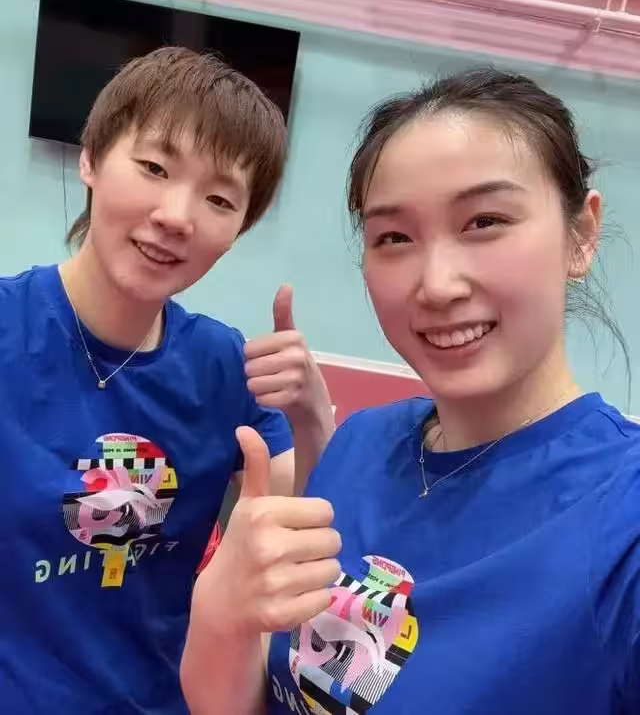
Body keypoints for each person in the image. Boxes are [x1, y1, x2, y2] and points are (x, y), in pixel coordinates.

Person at [181, 68, 640, 715]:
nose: (438, 284)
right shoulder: (361, 444)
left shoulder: (622, 520)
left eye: (484, 221)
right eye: (394, 237)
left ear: (581, 235)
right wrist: (220, 617)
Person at [0, 46, 334, 713]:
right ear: (91, 158)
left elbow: (315, 520)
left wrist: (313, 417)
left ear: (238, 230)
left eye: (219, 198)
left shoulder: (221, 365)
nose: (177, 216)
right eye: (154, 168)